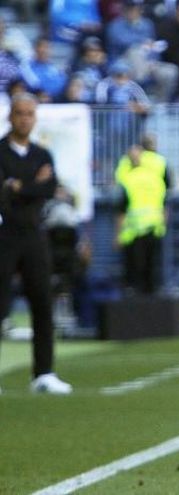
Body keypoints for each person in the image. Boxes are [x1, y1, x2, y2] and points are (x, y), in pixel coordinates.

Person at [0, 93, 73, 394]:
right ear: (10, 116)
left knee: (42, 302)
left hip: (34, 235)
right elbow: (4, 193)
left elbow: (48, 189)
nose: (25, 118)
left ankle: (43, 373)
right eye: (20, 113)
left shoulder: (43, 154)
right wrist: (31, 184)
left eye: (30, 113)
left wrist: (19, 185)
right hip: (5, 235)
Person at [115, 134, 170, 295]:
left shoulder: (128, 175)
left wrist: (117, 234)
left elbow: (121, 207)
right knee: (151, 276)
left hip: (132, 230)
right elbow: (165, 201)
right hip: (154, 227)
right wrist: (163, 223)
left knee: (133, 278)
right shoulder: (158, 175)